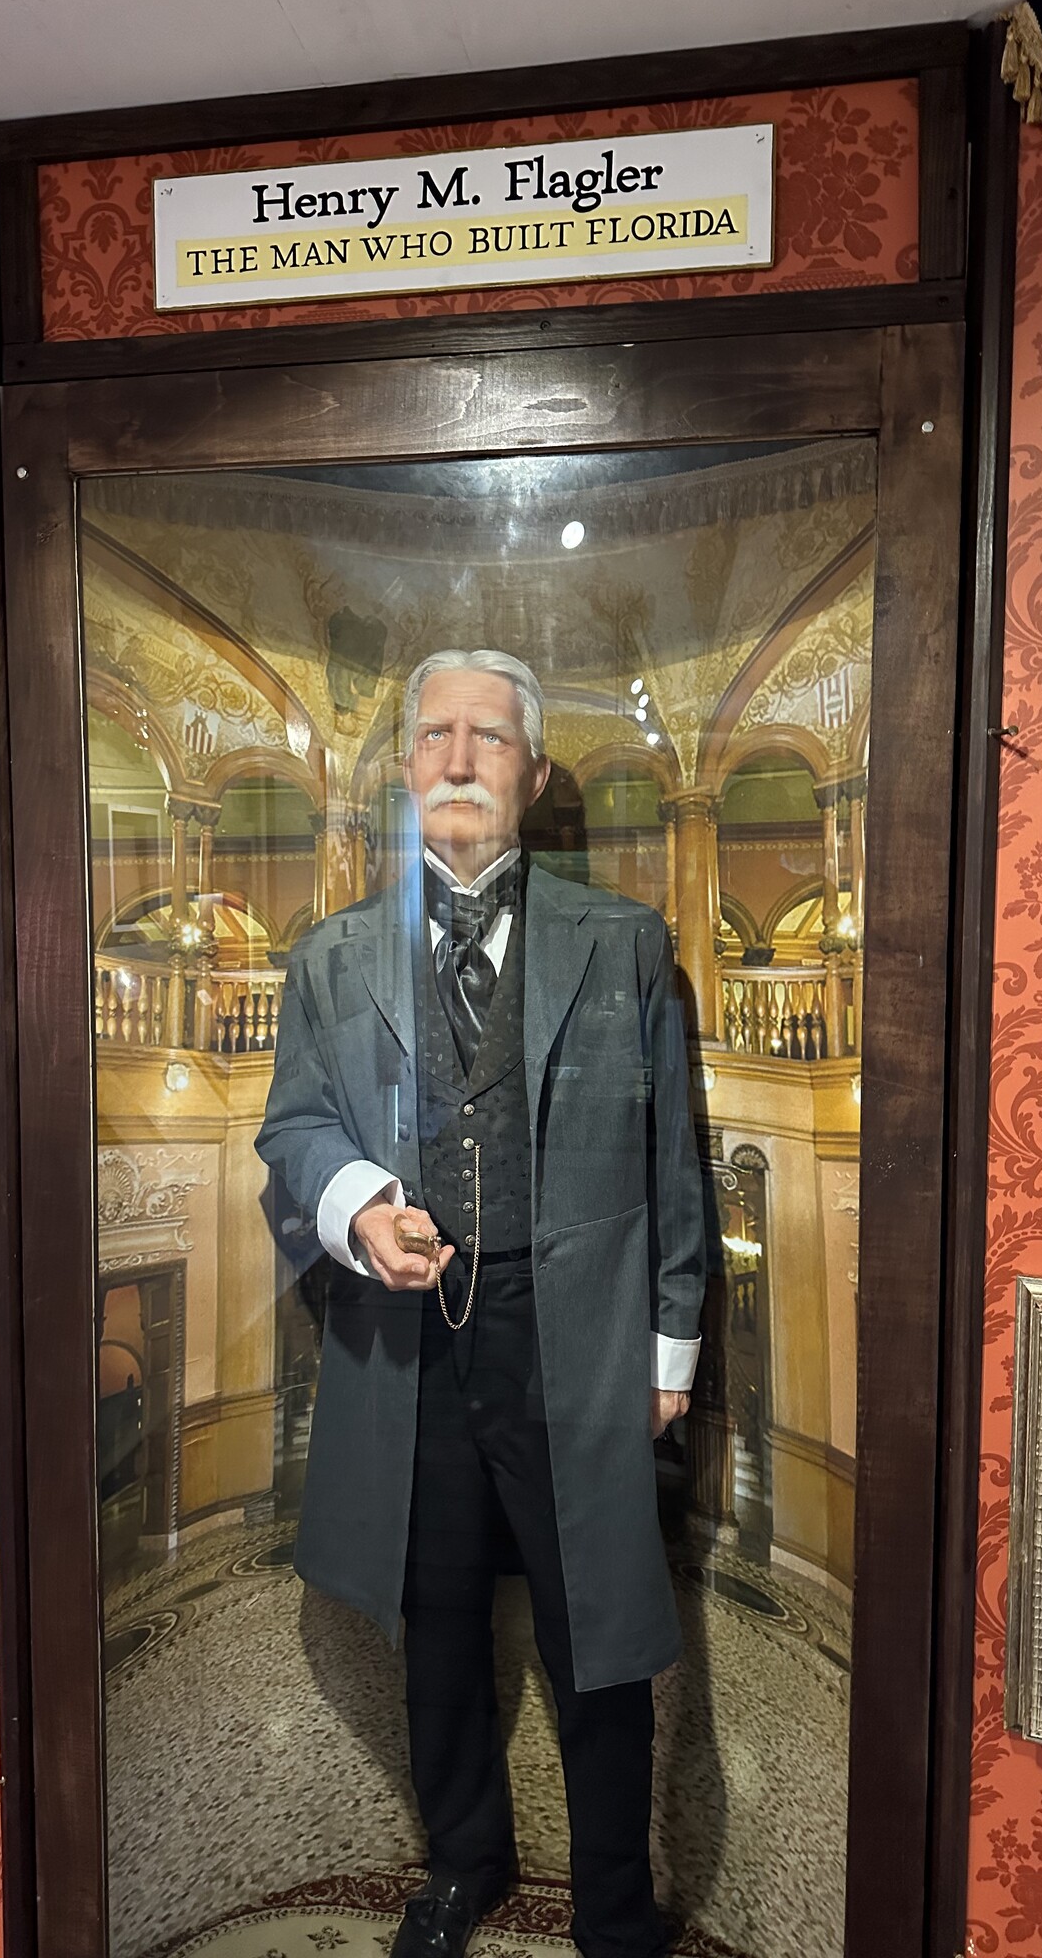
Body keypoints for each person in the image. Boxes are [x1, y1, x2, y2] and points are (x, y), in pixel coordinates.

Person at [256, 648, 705, 1958]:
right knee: (436, 1614)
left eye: (490, 739)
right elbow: (292, 1130)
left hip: (578, 1337)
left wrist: (669, 1347)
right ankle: (463, 1862)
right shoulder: (329, 959)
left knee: (596, 1627)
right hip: (406, 1340)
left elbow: (673, 1160)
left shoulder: (624, 944)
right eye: (436, 737)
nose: (459, 761)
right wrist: (355, 1204)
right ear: (405, 765)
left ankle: (616, 1907)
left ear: (535, 771)